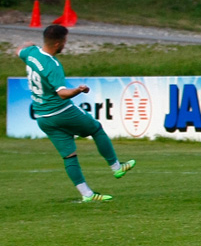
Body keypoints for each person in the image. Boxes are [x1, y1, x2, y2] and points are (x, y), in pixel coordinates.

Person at [17, 24, 135, 202]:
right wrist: (79, 90)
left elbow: (19, 49)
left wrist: (30, 44)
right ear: (57, 43)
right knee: (96, 129)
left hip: (42, 117)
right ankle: (116, 167)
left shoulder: (30, 53)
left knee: (69, 155)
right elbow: (62, 93)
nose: (65, 44)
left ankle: (87, 194)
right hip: (61, 111)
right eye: (65, 41)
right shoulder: (53, 65)